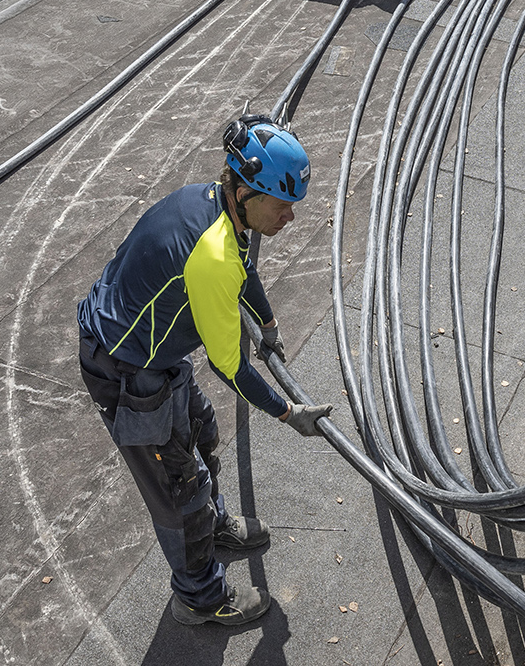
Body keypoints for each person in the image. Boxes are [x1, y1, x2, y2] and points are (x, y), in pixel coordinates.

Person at [77, 116, 333, 626]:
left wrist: (268, 320)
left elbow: (245, 266)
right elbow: (230, 365)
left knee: (201, 431)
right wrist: (287, 412)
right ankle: (200, 598)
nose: (290, 216)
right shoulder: (211, 253)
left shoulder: (212, 203)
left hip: (155, 352)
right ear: (245, 191)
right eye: (281, 204)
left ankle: (213, 527)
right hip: (126, 370)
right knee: (180, 491)